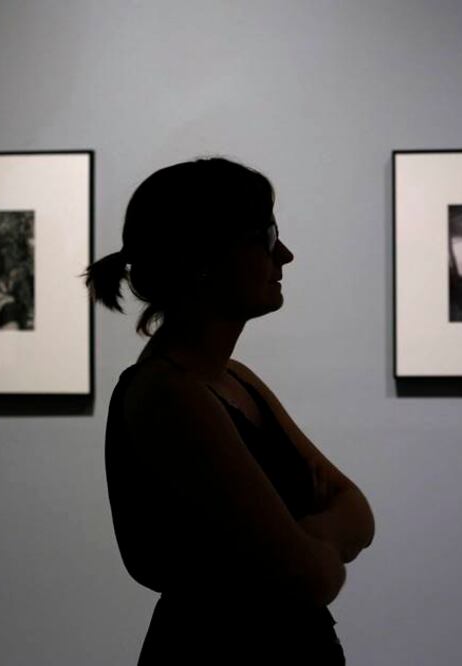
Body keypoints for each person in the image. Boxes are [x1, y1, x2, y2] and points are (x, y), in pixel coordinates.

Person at [85, 158, 374, 664]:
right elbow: (311, 575)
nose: (284, 254)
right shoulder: (168, 396)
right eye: (265, 237)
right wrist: (320, 539)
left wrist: (307, 542)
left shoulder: (234, 378)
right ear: (204, 257)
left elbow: (358, 512)